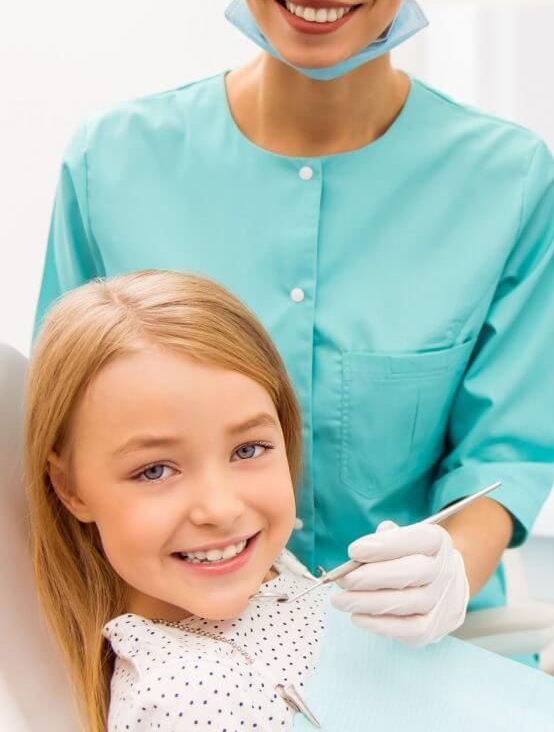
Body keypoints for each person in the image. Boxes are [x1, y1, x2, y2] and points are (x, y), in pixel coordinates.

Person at [33, 0, 554, 665]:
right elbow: (63, 451)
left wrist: (449, 562)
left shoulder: (506, 183)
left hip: (420, 663)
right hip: (176, 673)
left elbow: (506, 455)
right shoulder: (111, 165)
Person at [25, 270, 331, 731]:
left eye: (247, 450)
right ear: (69, 488)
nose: (222, 508)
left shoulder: (263, 567)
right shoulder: (188, 700)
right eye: (155, 470)